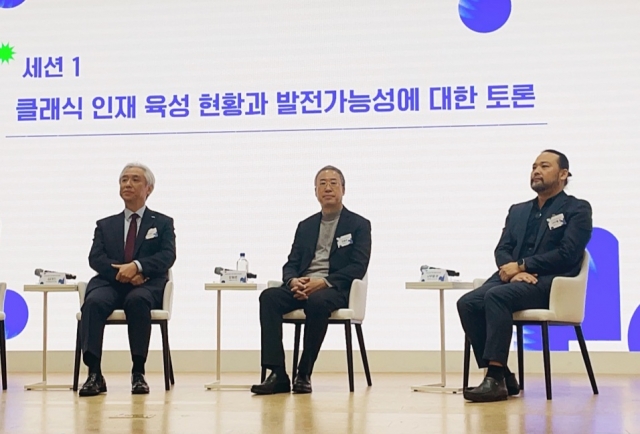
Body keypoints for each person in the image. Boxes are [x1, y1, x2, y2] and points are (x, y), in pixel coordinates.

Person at [457, 150, 592, 402]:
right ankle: (505, 374)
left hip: (551, 282)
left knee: (497, 297)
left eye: (544, 166)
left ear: (563, 174)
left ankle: (494, 377)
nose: (536, 171)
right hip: (515, 280)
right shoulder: (518, 210)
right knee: (467, 303)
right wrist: (512, 272)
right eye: (533, 167)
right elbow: (502, 248)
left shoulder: (577, 209)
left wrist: (523, 265)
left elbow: (569, 253)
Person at [251, 165, 372, 395]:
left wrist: (323, 282)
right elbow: (291, 263)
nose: (328, 188)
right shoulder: (305, 226)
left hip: (334, 288)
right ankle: (277, 373)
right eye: (322, 183)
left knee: (318, 303)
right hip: (304, 285)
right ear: (315, 191)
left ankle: (304, 373)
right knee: (269, 297)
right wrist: (292, 281)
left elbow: (358, 266)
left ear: (343, 189)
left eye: (333, 183)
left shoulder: (358, 225)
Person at [79, 163, 176, 396]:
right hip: (110, 284)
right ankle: (94, 373)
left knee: (138, 301)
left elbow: (167, 255)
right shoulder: (105, 224)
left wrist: (137, 267)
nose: (128, 184)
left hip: (146, 284)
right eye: (124, 180)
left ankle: (138, 373)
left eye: (134, 180)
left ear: (149, 188)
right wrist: (121, 273)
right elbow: (96, 258)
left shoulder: (162, 223)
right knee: (92, 303)